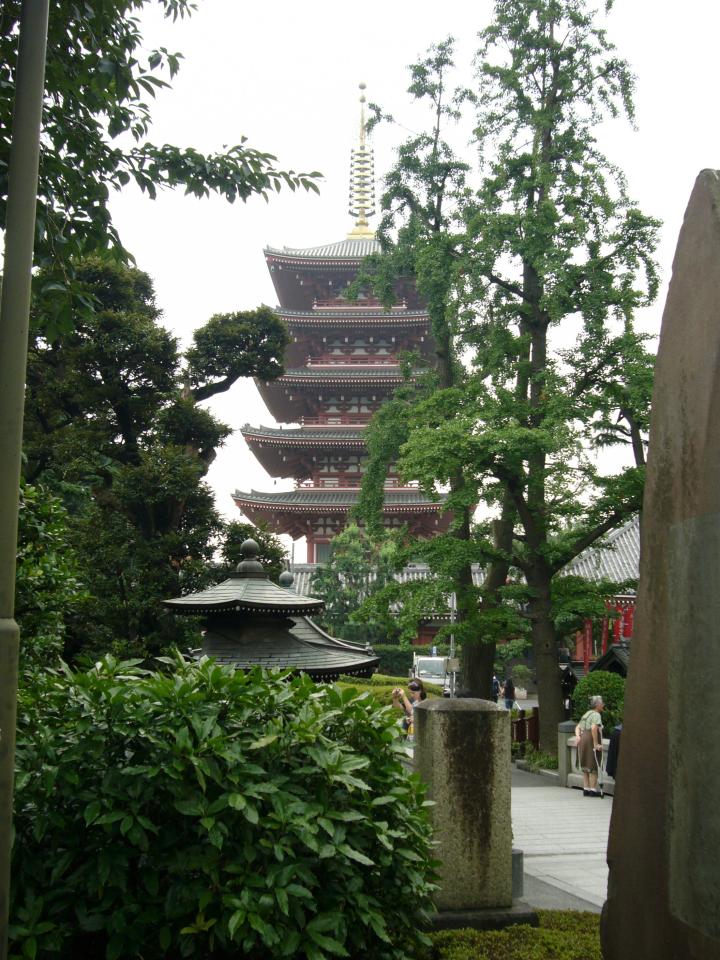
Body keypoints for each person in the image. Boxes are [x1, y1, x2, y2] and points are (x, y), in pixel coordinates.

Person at [575, 695, 605, 797]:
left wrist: (578, 736)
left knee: (585, 765)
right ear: (597, 705)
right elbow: (593, 728)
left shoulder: (586, 714)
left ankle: (586, 789)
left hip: (583, 739)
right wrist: (596, 744)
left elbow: (578, 727)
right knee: (593, 765)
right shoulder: (596, 715)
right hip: (590, 740)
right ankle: (593, 790)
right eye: (602, 703)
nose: (603, 705)